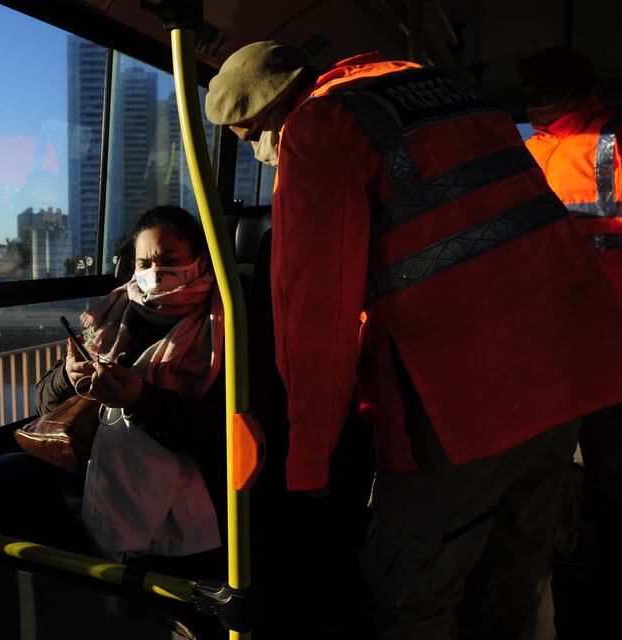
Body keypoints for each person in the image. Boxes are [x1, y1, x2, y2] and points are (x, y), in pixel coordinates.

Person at [206, 41, 622, 639]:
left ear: (273, 111)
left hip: (468, 395)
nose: (261, 156)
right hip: (565, 373)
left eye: (251, 139)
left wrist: (310, 455)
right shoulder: (440, 89)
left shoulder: (319, 127)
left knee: (410, 589)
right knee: (522, 573)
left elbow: (313, 313)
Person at [0, 205, 226, 563]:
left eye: (168, 259)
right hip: (85, 471)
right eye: (144, 264)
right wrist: (67, 376)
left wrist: (140, 400)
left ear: (200, 263)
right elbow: (44, 403)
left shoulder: (221, 328)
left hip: (168, 495)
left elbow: (219, 435)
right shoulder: (112, 316)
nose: (155, 272)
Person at [517, 45, 622, 620]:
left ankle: (604, 589)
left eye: (546, 90)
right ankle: (548, 575)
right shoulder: (527, 152)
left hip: (609, 341)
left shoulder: (615, 142)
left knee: (611, 470)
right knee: (544, 470)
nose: (534, 103)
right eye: (530, 91)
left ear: (579, 88)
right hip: (546, 343)